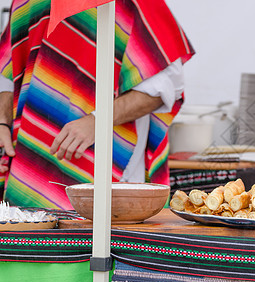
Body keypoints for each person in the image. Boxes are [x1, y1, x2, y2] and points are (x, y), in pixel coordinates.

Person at [0, 0, 195, 209]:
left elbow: (165, 88)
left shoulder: (133, 3)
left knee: (102, 234)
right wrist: (2, 121)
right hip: (29, 160)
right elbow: (9, 68)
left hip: (109, 161)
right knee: (31, 236)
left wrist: (98, 120)